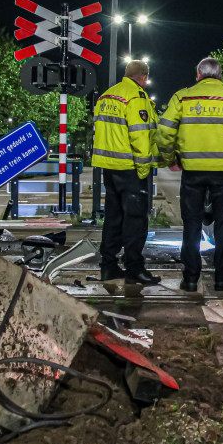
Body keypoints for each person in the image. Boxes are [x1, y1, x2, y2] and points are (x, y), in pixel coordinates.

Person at [156, 57, 223, 293]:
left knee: (191, 225)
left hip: (192, 172)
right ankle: (222, 279)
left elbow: (164, 133)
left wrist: (171, 160)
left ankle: (190, 279)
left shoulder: (182, 98)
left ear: (198, 75)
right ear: (220, 76)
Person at [91, 59, 161, 292]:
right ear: (143, 77)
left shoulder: (106, 97)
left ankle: (108, 265)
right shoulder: (136, 98)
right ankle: (134, 269)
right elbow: (140, 137)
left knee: (113, 218)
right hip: (131, 169)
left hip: (109, 169)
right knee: (135, 221)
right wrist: (144, 169)